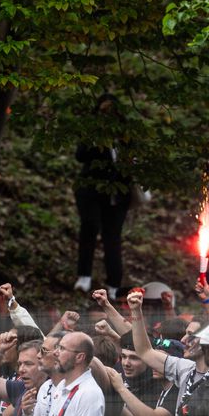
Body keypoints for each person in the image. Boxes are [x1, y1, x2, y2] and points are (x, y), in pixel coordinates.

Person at [73, 94, 134, 297]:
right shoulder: (92, 133)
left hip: (117, 194)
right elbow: (80, 154)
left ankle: (114, 284)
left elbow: (135, 160)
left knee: (112, 236)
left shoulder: (126, 135)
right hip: (91, 190)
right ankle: (84, 276)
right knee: (89, 227)